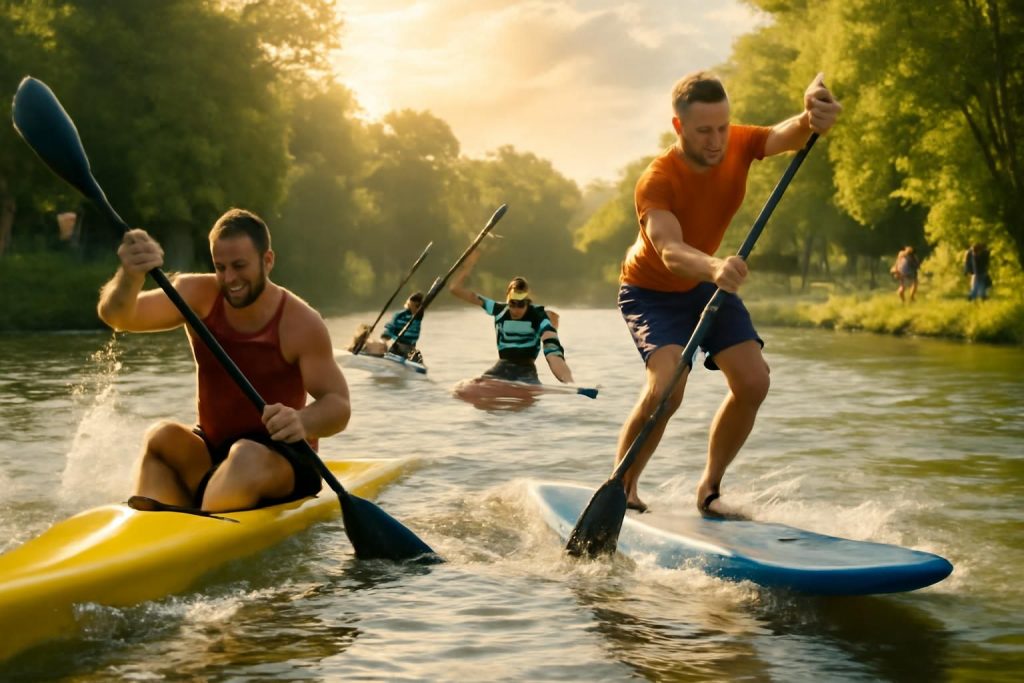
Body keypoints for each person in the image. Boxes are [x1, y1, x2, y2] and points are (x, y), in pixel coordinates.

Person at [615, 70, 841, 515]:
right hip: (651, 291)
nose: (717, 140)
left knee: (754, 382)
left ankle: (710, 491)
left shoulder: (736, 141)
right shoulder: (657, 179)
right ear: (679, 127)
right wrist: (715, 265)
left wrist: (813, 114)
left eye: (722, 127)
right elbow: (670, 251)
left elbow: (787, 134)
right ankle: (621, 488)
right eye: (704, 131)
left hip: (704, 285)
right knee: (667, 391)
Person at [97, 208, 351, 513]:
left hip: (283, 462)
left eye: (240, 266)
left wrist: (302, 420)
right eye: (220, 267)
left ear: (267, 260)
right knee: (161, 437)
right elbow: (119, 317)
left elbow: (338, 404)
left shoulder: (301, 323)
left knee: (245, 454)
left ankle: (201, 529)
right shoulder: (195, 294)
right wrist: (131, 276)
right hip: (214, 454)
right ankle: (158, 530)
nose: (230, 278)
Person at [449, 250, 575, 384]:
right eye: (512, 304)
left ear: (527, 302)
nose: (516, 309)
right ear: (508, 301)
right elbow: (455, 289)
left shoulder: (538, 316)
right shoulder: (498, 310)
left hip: (526, 371)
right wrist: (470, 263)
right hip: (501, 368)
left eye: (521, 304)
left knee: (552, 345)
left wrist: (571, 384)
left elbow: (553, 353)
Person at [382, 292, 425, 363]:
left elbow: (419, 313)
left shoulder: (418, 316)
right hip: (396, 347)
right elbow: (390, 328)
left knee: (414, 356)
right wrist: (383, 340)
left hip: (409, 348)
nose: (415, 309)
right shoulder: (399, 315)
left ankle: (414, 361)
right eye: (412, 306)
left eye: (417, 306)